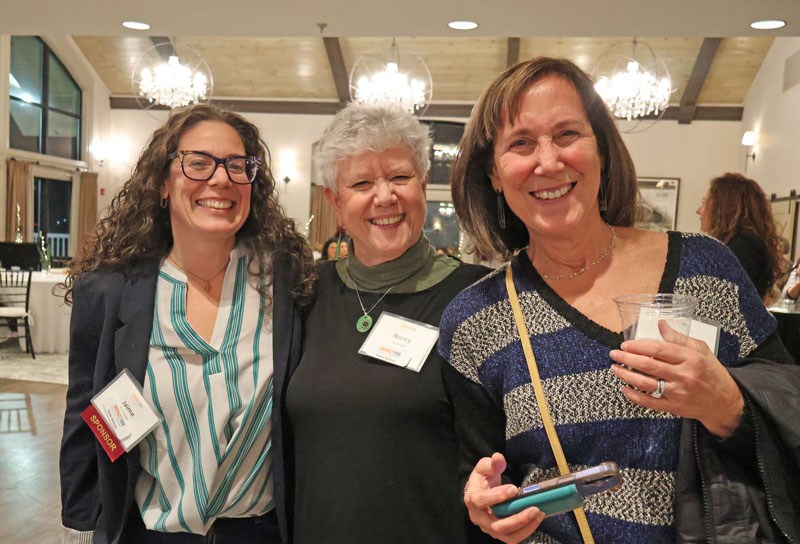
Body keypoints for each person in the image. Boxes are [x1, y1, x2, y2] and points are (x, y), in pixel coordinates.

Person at [438, 57, 800, 543]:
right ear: (494, 174)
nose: (549, 161)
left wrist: (728, 404)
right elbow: (480, 475)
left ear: (603, 151)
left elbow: (788, 407)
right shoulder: (476, 320)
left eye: (567, 134)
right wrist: (485, 506)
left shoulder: (706, 268)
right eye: (521, 143)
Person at [59, 104, 316, 544]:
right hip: (150, 534)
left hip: (260, 534)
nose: (221, 179)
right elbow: (87, 414)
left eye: (237, 166)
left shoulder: (288, 286)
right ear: (162, 182)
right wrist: (85, 524)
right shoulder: (109, 291)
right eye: (198, 163)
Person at [282, 102, 492, 543]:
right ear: (335, 202)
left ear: (423, 184)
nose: (384, 196)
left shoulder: (475, 298)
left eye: (399, 177)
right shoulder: (306, 293)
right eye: (362, 183)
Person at [696, 172, 783, 300]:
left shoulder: (745, 248)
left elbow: (721, 302)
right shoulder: (741, 245)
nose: (699, 210)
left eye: (705, 202)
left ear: (724, 208)